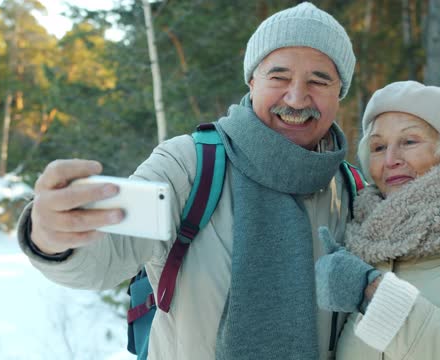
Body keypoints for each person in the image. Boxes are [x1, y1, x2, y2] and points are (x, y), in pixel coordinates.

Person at [18, 2, 357, 359]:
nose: (296, 97)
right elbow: (109, 253)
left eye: (319, 80)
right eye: (279, 77)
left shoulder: (349, 190)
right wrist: (51, 236)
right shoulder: (190, 164)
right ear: (253, 81)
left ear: (340, 93)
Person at [315, 80, 440, 359]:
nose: (390, 159)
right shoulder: (359, 238)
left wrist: (375, 296)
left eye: (409, 142)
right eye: (378, 147)